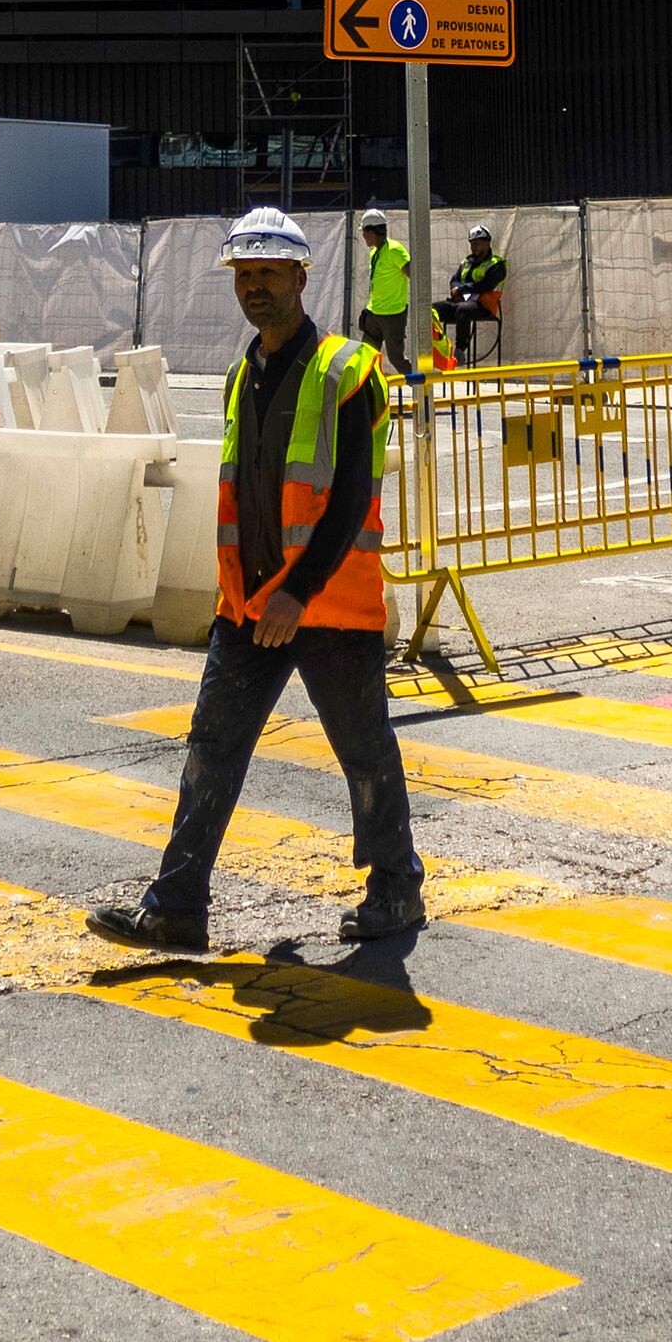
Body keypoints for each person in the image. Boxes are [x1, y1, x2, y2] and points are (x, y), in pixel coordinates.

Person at [88, 207, 425, 952]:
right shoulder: (245, 374)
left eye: (269, 273)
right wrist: (254, 598)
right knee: (211, 746)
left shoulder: (348, 371)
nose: (255, 288)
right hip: (249, 608)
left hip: (326, 605)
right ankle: (176, 907)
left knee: (364, 751)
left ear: (301, 278)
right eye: (244, 275)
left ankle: (396, 890)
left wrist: (298, 592)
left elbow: (351, 496)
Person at [441, 224, 510, 366]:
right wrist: (456, 289)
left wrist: (460, 290)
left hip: (484, 306)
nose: (474, 248)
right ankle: (439, 348)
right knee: (432, 309)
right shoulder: (466, 262)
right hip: (460, 303)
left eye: (478, 244)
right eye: (472, 244)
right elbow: (454, 280)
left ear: (487, 243)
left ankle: (460, 351)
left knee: (463, 310)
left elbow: (486, 285)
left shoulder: (497, 264)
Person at [354, 212, 414, 366]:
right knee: (366, 358)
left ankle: (420, 388)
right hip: (374, 313)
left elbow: (413, 274)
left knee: (396, 359)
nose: (363, 236)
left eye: (365, 232)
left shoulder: (394, 250)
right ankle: (369, 389)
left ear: (372, 231)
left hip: (393, 315)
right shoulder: (375, 252)